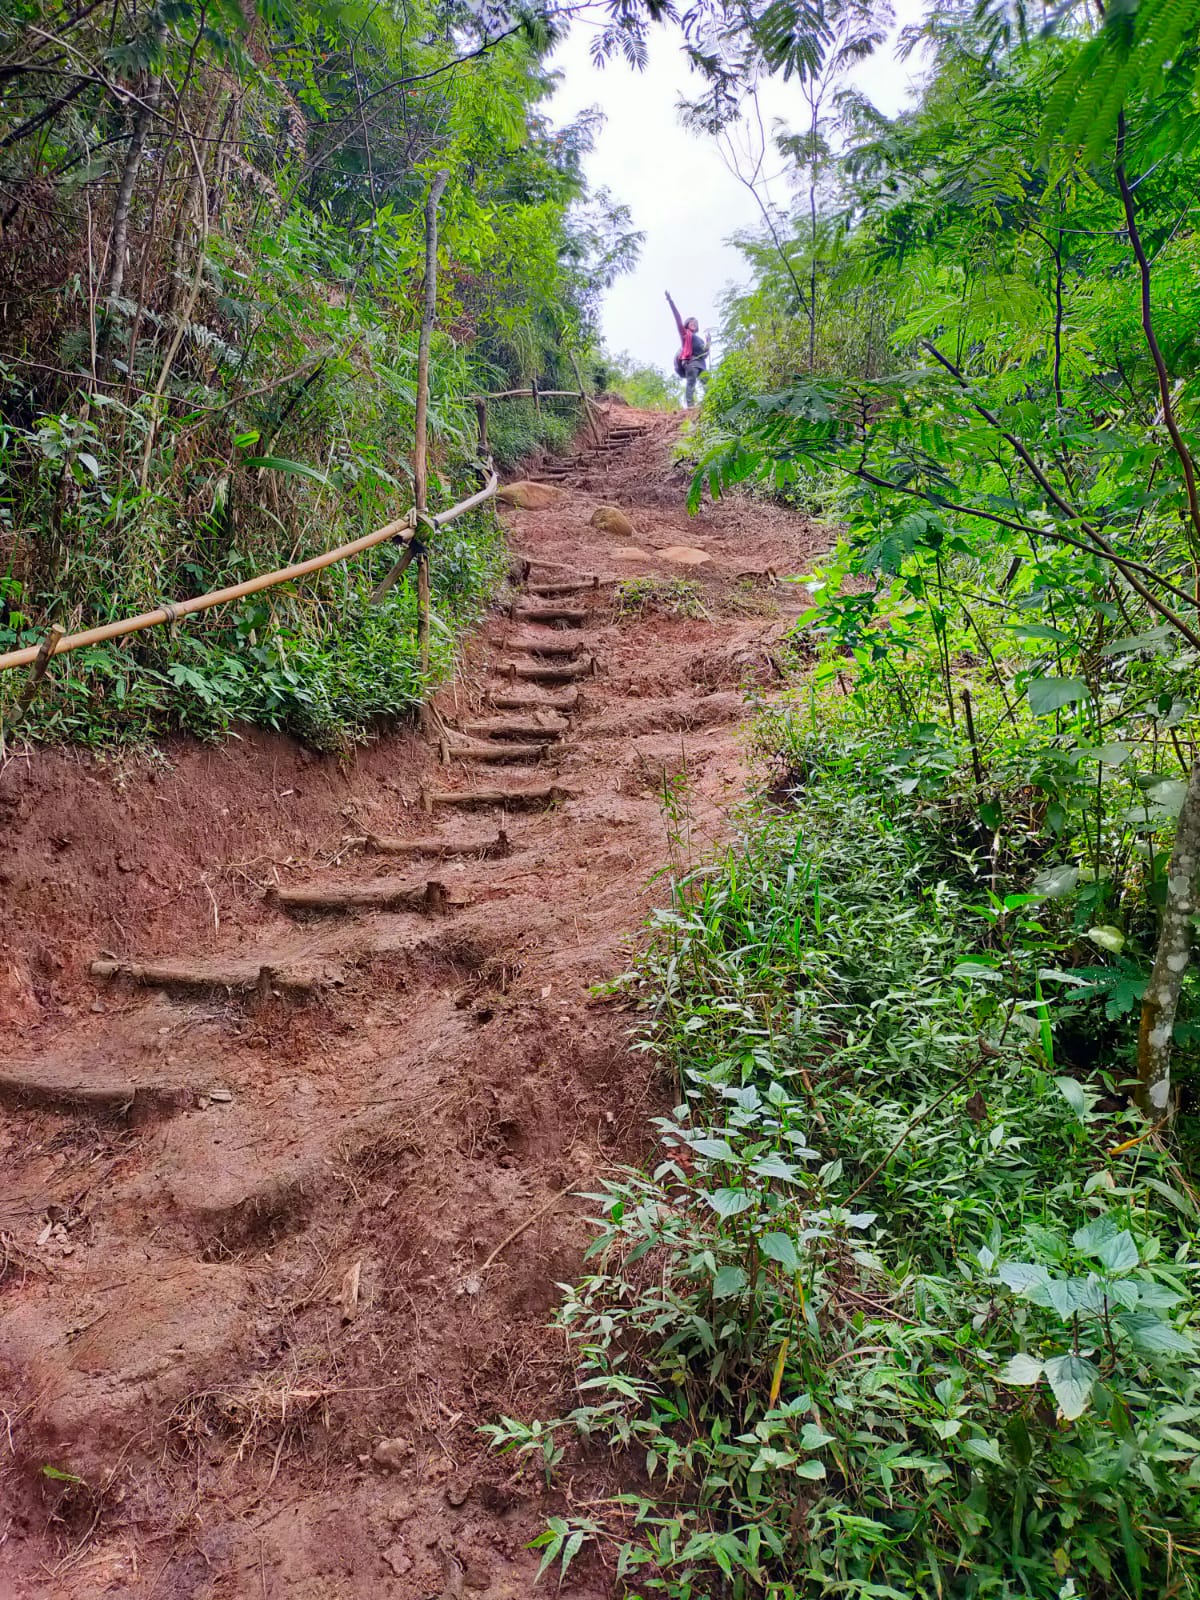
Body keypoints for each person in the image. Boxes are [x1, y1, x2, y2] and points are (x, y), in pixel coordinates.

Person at [666, 291, 708, 408]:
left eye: (696, 323)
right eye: (692, 322)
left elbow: (705, 354)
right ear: (687, 324)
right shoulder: (685, 334)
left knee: (707, 382)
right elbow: (677, 318)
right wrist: (671, 301)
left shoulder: (699, 340)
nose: (694, 324)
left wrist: (708, 342)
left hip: (701, 364)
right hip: (691, 363)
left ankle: (711, 402)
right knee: (691, 383)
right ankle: (690, 406)